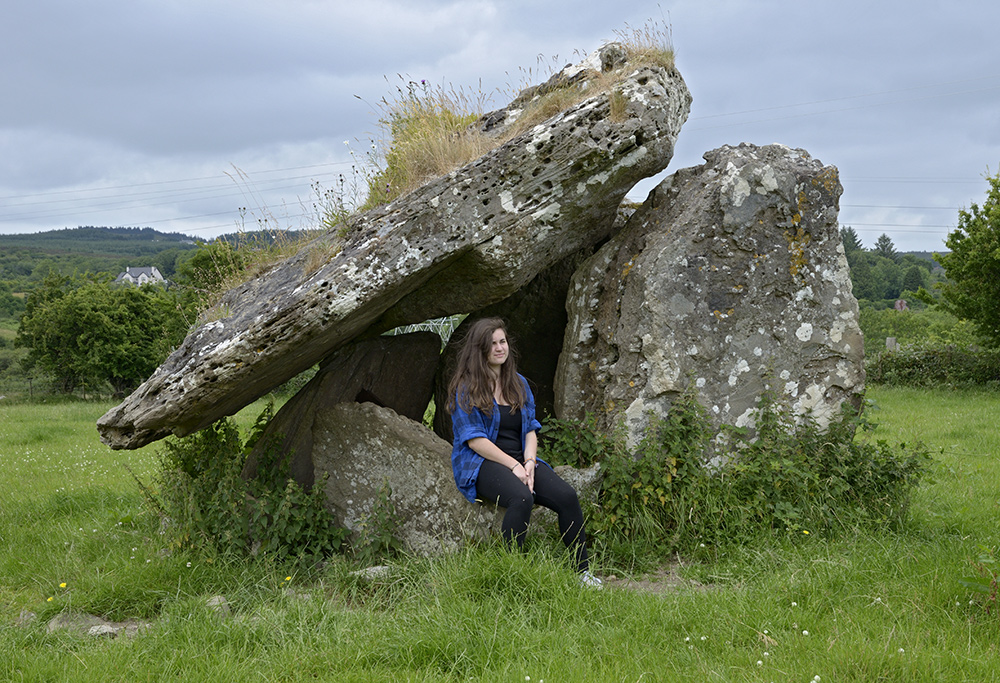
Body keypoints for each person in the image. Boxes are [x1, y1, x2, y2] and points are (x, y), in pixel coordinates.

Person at [447, 317, 601, 587]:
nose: (499, 348)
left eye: (502, 341)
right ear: (478, 350)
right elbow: (475, 441)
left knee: (567, 496)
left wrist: (529, 462)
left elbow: (530, 430)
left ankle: (582, 573)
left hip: (522, 459)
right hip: (482, 463)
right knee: (521, 499)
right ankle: (511, 576)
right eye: (491, 344)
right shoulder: (466, 388)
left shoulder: (518, 383)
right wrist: (514, 467)